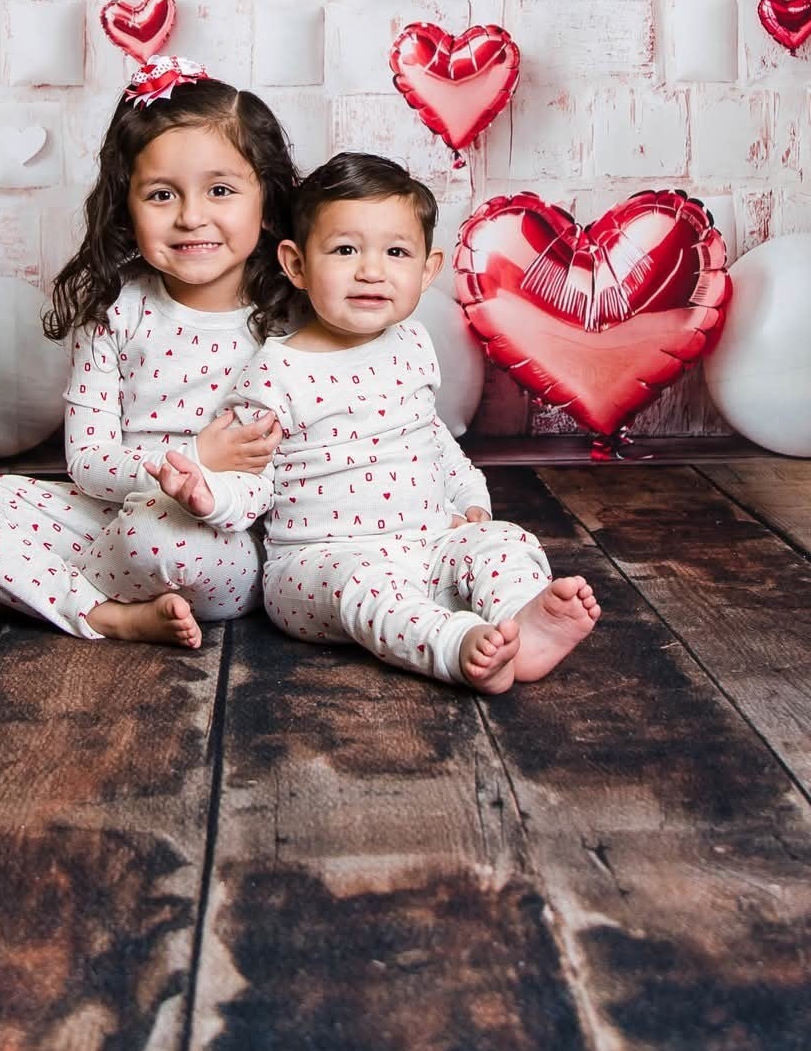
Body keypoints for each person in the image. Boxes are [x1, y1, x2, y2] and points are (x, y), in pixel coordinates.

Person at [147, 151, 600, 692]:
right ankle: (455, 647)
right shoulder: (276, 373)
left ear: (427, 270)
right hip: (320, 565)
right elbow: (251, 480)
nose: (371, 270)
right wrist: (209, 496)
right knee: (368, 588)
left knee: (502, 540)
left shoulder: (411, 343)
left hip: (428, 542)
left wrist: (471, 502)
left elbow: (432, 439)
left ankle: (522, 620)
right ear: (296, 265)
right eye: (344, 250)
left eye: (395, 252)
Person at [0, 57, 298, 646]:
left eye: (220, 190)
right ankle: (105, 611)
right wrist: (196, 455)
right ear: (125, 204)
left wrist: (205, 485)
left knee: (161, 539)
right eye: (162, 194)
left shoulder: (290, 317)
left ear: (265, 199)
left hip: (219, 541)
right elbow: (87, 465)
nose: (192, 217)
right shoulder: (113, 310)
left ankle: (29, 590)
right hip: (107, 514)